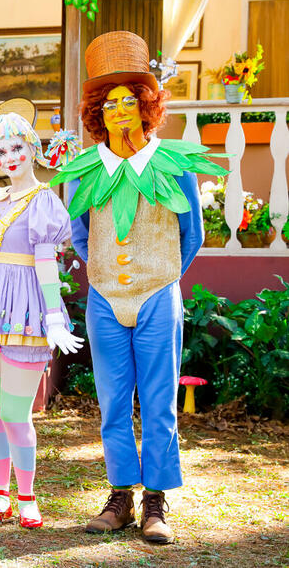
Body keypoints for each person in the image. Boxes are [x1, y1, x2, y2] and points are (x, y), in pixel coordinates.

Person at [50, 31, 227, 544]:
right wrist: (106, 273)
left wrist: (161, 273)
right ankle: (121, 497)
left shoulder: (173, 165)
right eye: (109, 103)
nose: (120, 110)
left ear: (147, 105)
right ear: (97, 114)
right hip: (106, 299)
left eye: (130, 99)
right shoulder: (88, 171)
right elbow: (80, 232)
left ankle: (156, 502)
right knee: (111, 400)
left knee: (157, 400)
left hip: (157, 296)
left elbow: (190, 234)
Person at [0, 113, 84, 529]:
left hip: (27, 312)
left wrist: (53, 316)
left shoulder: (44, 200)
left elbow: (46, 263)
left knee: (15, 413)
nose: (10, 156)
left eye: (17, 147)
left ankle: (27, 497)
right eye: (1, 150)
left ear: (33, 149)